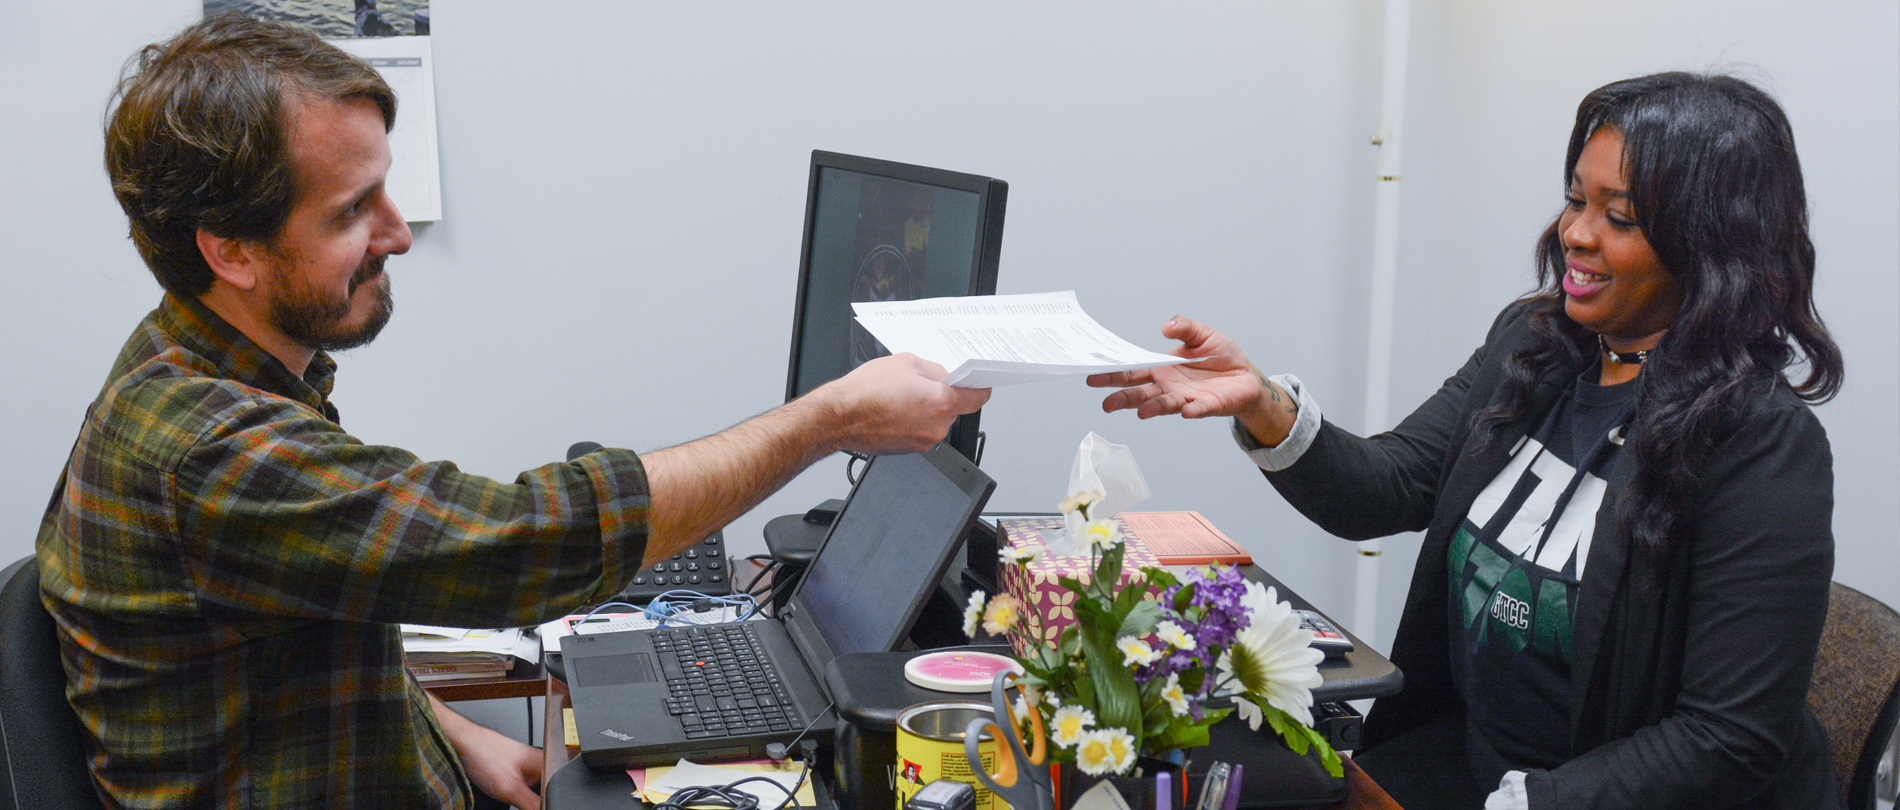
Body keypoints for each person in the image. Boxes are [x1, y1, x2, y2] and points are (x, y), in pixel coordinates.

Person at [39, 14, 989, 810]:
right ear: (231, 252)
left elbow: (321, 608)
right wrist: (825, 422)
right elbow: (521, 544)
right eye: (351, 211)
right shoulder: (211, 451)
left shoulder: (192, 368)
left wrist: (451, 738)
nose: (399, 233)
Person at [1089, 72, 1843, 810]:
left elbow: (1727, 737)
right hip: (1468, 758)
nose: (1575, 233)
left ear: (1709, 246)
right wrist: (1263, 402)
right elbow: (1389, 485)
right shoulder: (1535, 345)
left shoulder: (1764, 446)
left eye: (1623, 217)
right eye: (1577, 198)